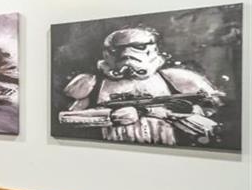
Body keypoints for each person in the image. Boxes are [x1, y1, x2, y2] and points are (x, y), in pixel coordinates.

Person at [59, 28, 224, 146]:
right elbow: (68, 119)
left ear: (153, 50)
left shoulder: (175, 78)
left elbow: (208, 113)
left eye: (137, 47)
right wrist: (110, 117)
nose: (127, 55)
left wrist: (163, 113)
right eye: (119, 49)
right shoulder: (92, 83)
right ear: (108, 53)